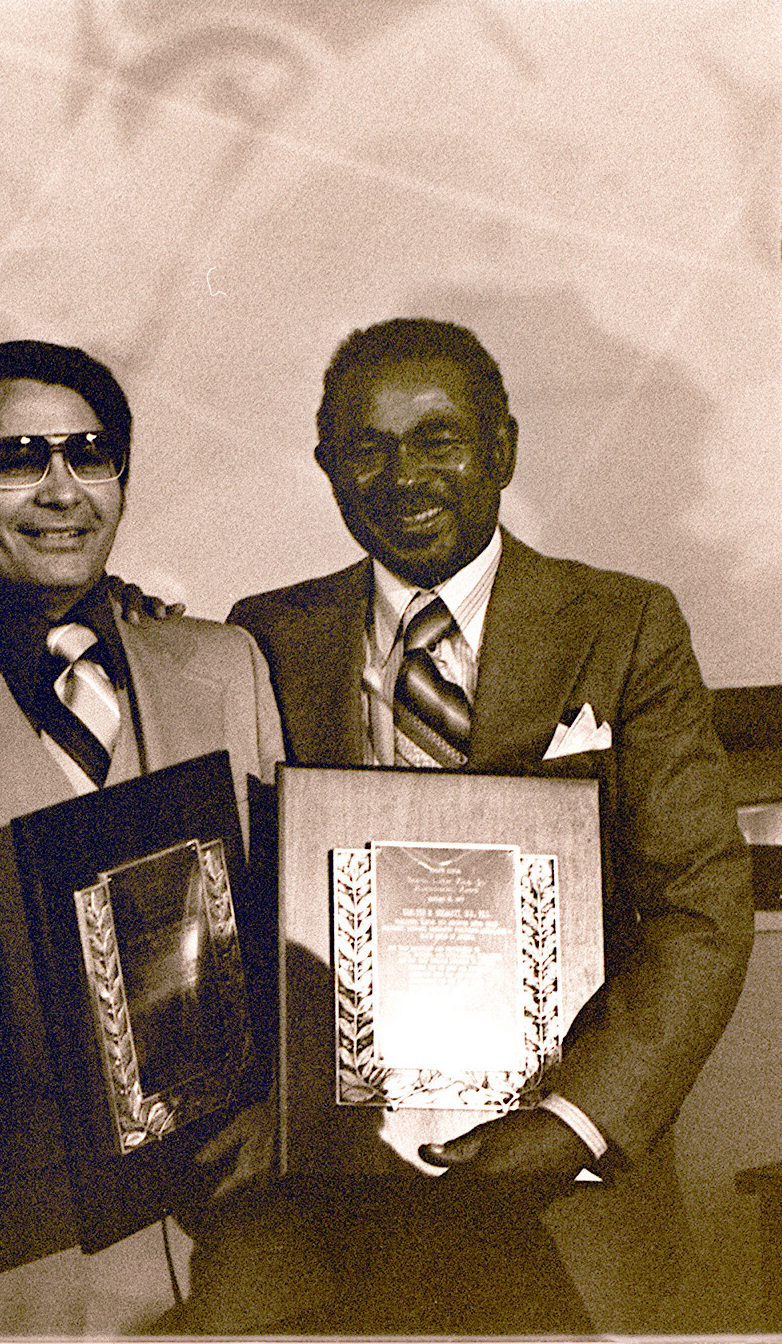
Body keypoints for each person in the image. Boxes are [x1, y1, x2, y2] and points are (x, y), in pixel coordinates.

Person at [227, 316, 753, 1332]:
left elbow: (703, 912)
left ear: (502, 447)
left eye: (438, 438)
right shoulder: (263, 635)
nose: (404, 476)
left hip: (562, 1189)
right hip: (332, 1204)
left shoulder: (625, 624)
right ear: (326, 462)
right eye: (367, 446)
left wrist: (571, 1124)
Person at [0, 339, 290, 1334]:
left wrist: (277, 1102)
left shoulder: (225, 668)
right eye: (18, 458)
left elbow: (287, 930)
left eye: (89, 455)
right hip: (15, 1267)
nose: (60, 490)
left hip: (229, 1255)